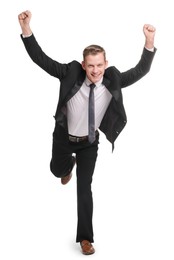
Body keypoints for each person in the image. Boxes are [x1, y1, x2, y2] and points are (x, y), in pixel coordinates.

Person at [18, 10, 156, 255]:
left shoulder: (111, 79)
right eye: (90, 66)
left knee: (85, 188)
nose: (95, 71)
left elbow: (140, 71)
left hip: (89, 144)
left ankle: (85, 238)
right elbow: (41, 59)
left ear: (106, 64)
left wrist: (148, 42)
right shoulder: (70, 73)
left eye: (99, 65)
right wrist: (26, 28)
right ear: (83, 65)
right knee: (56, 170)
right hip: (63, 139)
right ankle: (66, 167)